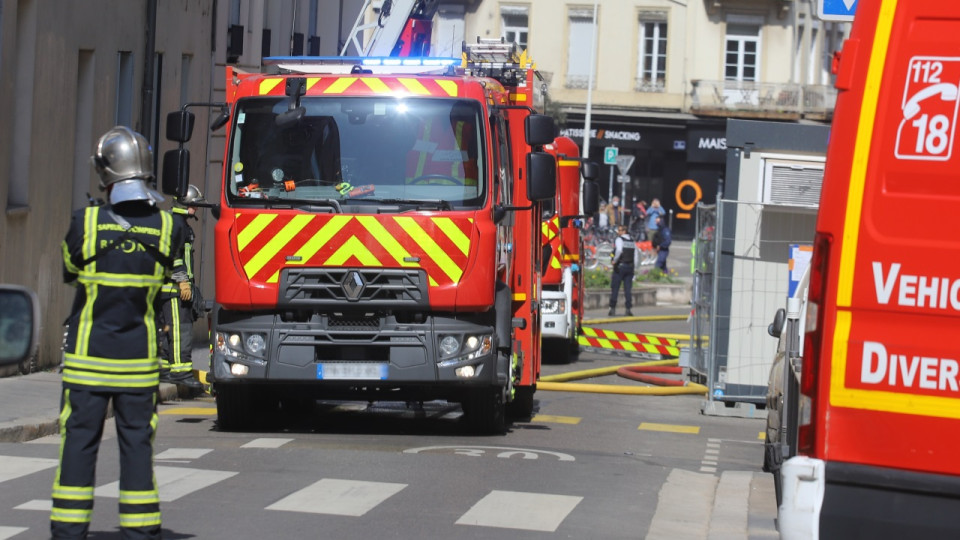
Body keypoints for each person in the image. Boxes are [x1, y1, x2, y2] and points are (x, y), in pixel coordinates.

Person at [53, 126, 185, 540]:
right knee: (137, 450)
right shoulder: (169, 229)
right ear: (145, 173)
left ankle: (69, 532)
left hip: (87, 362)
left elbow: (70, 275)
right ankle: (142, 532)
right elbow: (165, 273)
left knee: (78, 445)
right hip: (138, 364)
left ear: (106, 173)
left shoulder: (85, 222)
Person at [158, 184, 205, 393]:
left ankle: (166, 370)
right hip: (174, 289)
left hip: (172, 289)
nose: (196, 208)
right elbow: (174, 255)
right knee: (180, 330)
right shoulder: (177, 224)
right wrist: (182, 281)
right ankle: (181, 373)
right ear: (184, 203)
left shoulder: (176, 223)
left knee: (168, 330)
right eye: (194, 204)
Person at [609, 225, 638, 317]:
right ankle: (628, 309)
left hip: (620, 267)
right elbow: (636, 256)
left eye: (619, 230)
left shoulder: (619, 240)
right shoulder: (632, 241)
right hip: (630, 267)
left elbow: (619, 250)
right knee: (628, 289)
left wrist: (615, 261)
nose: (618, 232)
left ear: (624, 231)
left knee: (615, 288)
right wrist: (635, 268)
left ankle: (612, 309)